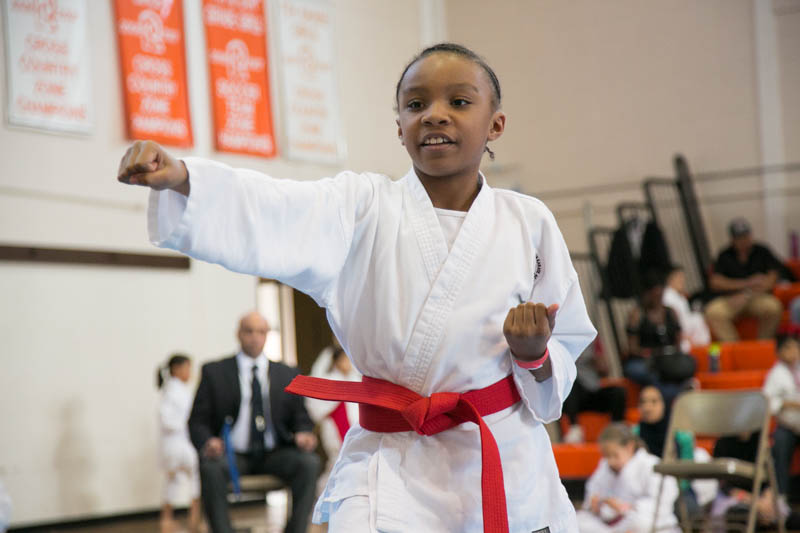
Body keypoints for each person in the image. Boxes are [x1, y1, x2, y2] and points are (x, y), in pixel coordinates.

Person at [117, 42, 597, 533]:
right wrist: (184, 179)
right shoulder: (361, 208)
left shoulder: (528, 222)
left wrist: (533, 354)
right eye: (416, 104)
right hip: (391, 468)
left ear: (495, 124)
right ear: (399, 128)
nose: (434, 115)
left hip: (502, 459)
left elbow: (561, 358)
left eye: (458, 101)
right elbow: (276, 207)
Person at [188, 312, 320, 533]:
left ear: (267, 335)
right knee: (210, 468)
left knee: (309, 463)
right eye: (249, 331)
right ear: (239, 334)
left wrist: (304, 433)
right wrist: (208, 441)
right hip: (232, 455)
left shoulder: (287, 373)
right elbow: (197, 421)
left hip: (275, 453)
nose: (255, 337)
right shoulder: (214, 372)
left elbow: (301, 418)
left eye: (261, 332)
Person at [576, 423, 679, 532]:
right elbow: (593, 492)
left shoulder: (650, 464)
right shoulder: (604, 466)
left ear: (630, 447)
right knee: (579, 520)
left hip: (639, 519)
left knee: (640, 523)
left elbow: (663, 501)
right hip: (609, 523)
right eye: (606, 456)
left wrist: (626, 507)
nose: (610, 461)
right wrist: (595, 504)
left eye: (615, 455)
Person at [632, 386, 717, 518]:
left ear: (664, 404)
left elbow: (687, 473)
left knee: (688, 510)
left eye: (654, 402)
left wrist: (669, 490)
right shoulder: (634, 435)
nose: (648, 407)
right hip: (645, 489)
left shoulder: (681, 434)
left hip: (678, 487)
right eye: (643, 402)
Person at [705, 217, 784, 341]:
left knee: (773, 307)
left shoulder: (762, 251)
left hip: (757, 297)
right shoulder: (725, 255)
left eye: (745, 236)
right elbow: (715, 282)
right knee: (713, 312)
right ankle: (735, 349)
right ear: (732, 239)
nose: (743, 241)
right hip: (731, 299)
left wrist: (747, 294)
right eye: (739, 238)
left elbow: (770, 280)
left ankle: (763, 346)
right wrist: (747, 283)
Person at [623, 270, 696, 403]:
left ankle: (680, 393)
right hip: (645, 360)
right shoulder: (637, 314)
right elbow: (632, 347)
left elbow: (678, 340)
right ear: (646, 294)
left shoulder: (670, 312)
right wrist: (650, 353)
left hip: (668, 357)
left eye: (660, 294)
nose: (657, 298)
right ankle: (669, 397)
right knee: (648, 373)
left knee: (687, 364)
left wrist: (672, 352)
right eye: (653, 295)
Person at [157, 353, 201, 533]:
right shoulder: (172, 391)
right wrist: (188, 424)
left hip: (180, 442)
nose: (189, 372)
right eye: (187, 368)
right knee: (190, 478)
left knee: (175, 481)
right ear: (176, 369)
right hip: (178, 443)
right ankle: (192, 518)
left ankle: (185, 518)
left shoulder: (180, 390)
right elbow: (166, 419)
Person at [305, 345, 360, 484]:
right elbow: (317, 406)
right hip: (336, 424)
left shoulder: (355, 379)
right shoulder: (330, 380)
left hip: (354, 422)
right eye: (343, 360)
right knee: (338, 460)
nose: (346, 363)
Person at [561, 340, 626, 443]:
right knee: (571, 384)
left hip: (592, 389)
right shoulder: (560, 343)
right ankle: (574, 428)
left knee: (618, 392)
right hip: (572, 397)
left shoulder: (593, 341)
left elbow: (604, 371)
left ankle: (616, 429)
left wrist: (599, 362)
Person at [763, 333, 800, 502]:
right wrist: (789, 404)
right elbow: (767, 402)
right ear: (779, 352)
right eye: (788, 348)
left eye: (795, 347)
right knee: (780, 441)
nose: (793, 351)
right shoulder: (775, 374)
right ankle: (780, 497)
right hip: (788, 425)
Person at [662, 265, 710, 351]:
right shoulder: (667, 297)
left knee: (697, 318)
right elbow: (673, 321)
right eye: (679, 278)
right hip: (680, 336)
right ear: (671, 279)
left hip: (690, 334)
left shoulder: (680, 296)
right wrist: (684, 336)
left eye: (683, 278)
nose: (682, 281)